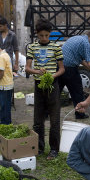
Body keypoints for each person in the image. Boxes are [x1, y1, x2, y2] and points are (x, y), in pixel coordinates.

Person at [25, 19, 65, 160]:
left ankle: (54, 149)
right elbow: (28, 69)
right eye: (41, 35)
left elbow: (62, 69)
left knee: (54, 120)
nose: (44, 38)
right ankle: (40, 147)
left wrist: (52, 76)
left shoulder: (56, 48)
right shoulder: (32, 47)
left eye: (46, 35)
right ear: (37, 34)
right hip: (38, 86)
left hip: (52, 86)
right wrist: (37, 72)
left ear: (50, 34)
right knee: (38, 120)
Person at [58, 30, 90, 119]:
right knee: (77, 92)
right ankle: (80, 114)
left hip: (59, 67)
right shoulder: (86, 43)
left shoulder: (77, 38)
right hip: (69, 69)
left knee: (56, 92)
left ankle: (47, 113)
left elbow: (81, 59)